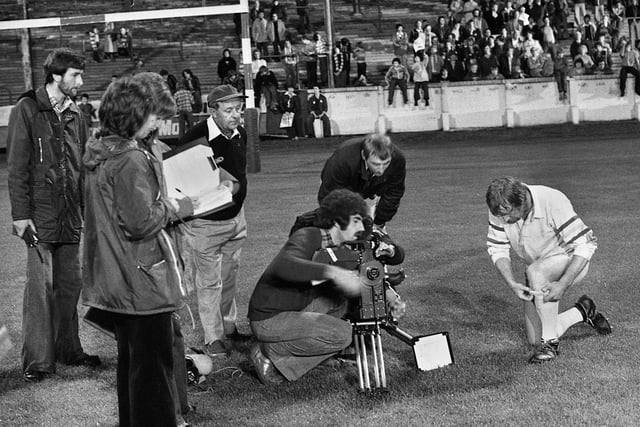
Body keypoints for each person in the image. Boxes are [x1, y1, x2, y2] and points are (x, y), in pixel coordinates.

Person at [83, 72, 195, 427]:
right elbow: (140, 221)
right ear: (134, 115)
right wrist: (176, 207)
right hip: (142, 281)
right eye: (150, 115)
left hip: (118, 277)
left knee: (134, 371)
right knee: (153, 375)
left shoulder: (101, 152)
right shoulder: (130, 158)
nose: (155, 122)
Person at [7, 48, 100, 383]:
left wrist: (88, 213)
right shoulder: (28, 108)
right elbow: (17, 167)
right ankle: (38, 361)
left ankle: (68, 349)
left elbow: (84, 168)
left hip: (71, 216)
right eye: (76, 75)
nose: (81, 81)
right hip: (40, 218)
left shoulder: (77, 113)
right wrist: (21, 216)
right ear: (56, 76)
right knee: (39, 291)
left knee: (69, 287)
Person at [247, 189, 405, 384]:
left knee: (339, 302)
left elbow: (365, 275)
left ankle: (306, 351)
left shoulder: (342, 247)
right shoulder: (308, 235)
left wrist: (390, 298)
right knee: (341, 335)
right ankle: (268, 353)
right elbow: (284, 265)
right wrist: (333, 273)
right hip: (268, 318)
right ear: (338, 221)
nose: (360, 225)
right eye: (355, 220)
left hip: (292, 309)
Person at [485, 177, 612, 364]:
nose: (504, 220)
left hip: (570, 261)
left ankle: (551, 345)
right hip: (536, 269)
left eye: (508, 214)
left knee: (536, 272)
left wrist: (562, 284)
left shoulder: (553, 201)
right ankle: (583, 310)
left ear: (522, 201)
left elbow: (586, 245)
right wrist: (512, 283)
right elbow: (497, 247)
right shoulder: (501, 207)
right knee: (535, 339)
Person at [176, 85, 248, 357]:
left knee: (229, 276)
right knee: (209, 281)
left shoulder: (240, 133)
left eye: (238, 110)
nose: (236, 116)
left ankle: (228, 327)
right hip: (205, 224)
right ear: (212, 110)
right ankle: (212, 338)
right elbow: (181, 183)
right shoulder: (194, 138)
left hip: (236, 218)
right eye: (228, 110)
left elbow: (240, 174)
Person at [317, 134, 406, 229]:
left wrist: (379, 222)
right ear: (364, 155)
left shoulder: (397, 159)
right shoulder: (342, 160)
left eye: (386, 163)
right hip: (344, 186)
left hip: (375, 185)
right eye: (376, 164)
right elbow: (328, 195)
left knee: (373, 230)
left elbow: (394, 193)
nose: (381, 170)